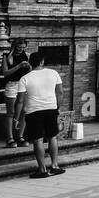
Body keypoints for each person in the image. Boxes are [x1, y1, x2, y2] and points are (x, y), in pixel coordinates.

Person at [16, 51, 66, 179]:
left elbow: (20, 100)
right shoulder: (53, 73)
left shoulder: (25, 78)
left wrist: (16, 118)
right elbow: (60, 92)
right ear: (42, 61)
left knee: (37, 139)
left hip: (33, 111)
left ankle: (42, 169)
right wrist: (57, 107)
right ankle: (55, 166)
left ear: (30, 63)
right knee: (52, 137)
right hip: (50, 108)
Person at [1, 39, 31, 148]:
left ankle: (20, 136)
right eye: (19, 47)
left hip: (23, 84)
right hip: (12, 85)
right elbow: (5, 73)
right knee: (11, 112)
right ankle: (10, 138)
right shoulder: (7, 56)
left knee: (24, 110)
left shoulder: (26, 56)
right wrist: (18, 66)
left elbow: (30, 72)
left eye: (23, 47)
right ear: (14, 46)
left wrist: (28, 66)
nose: (21, 49)